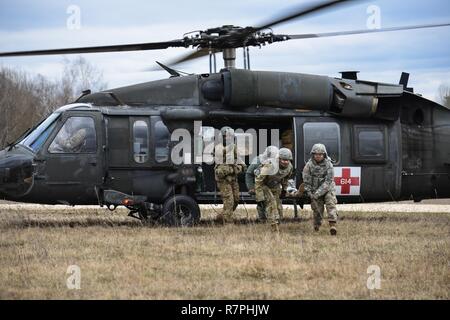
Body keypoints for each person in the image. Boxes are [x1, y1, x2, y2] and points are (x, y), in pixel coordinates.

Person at [302, 143, 338, 235]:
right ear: (313, 154)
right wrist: (310, 193)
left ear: (324, 155)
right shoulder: (308, 166)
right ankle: (316, 226)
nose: (318, 156)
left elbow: (328, 181)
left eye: (320, 154)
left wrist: (318, 193)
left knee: (331, 204)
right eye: (316, 154)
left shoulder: (328, 164)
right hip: (314, 190)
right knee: (317, 209)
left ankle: (332, 225)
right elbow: (306, 181)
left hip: (327, 189)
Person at [255, 147, 293, 232]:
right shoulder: (270, 165)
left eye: (287, 160)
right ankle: (274, 226)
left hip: (275, 185)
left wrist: (284, 190)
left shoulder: (289, 167)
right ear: (279, 159)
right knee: (271, 204)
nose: (285, 162)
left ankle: (277, 223)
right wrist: (259, 196)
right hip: (263, 185)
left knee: (278, 206)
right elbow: (258, 180)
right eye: (283, 160)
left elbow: (285, 179)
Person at [214, 126, 246, 223]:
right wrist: (233, 168)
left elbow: (239, 161)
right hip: (223, 179)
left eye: (230, 136)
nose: (228, 138)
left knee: (236, 199)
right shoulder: (218, 148)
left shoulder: (234, 147)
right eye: (226, 136)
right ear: (222, 137)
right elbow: (221, 163)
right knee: (229, 201)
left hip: (233, 178)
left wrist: (240, 167)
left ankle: (221, 217)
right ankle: (227, 222)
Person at [245, 146, 279, 222]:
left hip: (271, 184)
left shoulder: (276, 161)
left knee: (275, 202)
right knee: (261, 202)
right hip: (259, 184)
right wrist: (251, 187)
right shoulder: (257, 161)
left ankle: (276, 219)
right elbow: (249, 174)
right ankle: (262, 219)